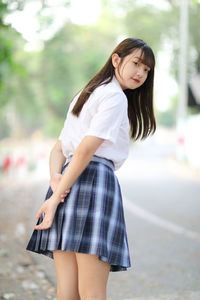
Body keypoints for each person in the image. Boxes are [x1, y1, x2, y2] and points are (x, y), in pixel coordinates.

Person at [26, 37, 156, 300]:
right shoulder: (115, 97)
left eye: (146, 70)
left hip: (68, 183)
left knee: (68, 292)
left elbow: (60, 149)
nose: (141, 73)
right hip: (94, 184)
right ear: (116, 59)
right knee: (92, 292)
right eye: (136, 64)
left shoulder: (86, 94)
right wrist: (54, 198)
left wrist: (56, 184)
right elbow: (84, 150)